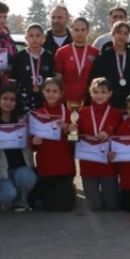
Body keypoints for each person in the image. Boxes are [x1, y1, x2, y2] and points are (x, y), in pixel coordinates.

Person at [0, 87, 37, 212]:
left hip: (21, 165)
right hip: (2, 169)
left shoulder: (23, 118)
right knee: (7, 196)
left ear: (17, 102)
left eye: (12, 100)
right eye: (5, 98)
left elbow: (31, 141)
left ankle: (22, 201)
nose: (8, 102)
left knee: (28, 177)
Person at [29, 76, 76, 212]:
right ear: (43, 92)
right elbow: (30, 142)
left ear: (61, 94)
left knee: (65, 207)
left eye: (55, 91)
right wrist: (34, 141)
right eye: (48, 90)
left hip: (65, 167)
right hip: (46, 167)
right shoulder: (37, 114)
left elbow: (75, 141)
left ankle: (70, 187)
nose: (51, 94)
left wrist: (70, 131)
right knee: (49, 207)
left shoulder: (69, 114)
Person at [77, 77, 122, 211]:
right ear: (91, 93)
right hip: (88, 163)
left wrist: (110, 134)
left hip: (108, 163)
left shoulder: (116, 114)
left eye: (103, 92)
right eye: (96, 92)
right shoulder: (83, 112)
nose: (99, 95)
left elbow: (122, 136)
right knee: (93, 206)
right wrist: (73, 130)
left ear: (110, 93)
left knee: (112, 205)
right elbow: (76, 136)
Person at [93, 20, 130, 109]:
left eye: (125, 33)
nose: (122, 36)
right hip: (109, 105)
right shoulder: (103, 57)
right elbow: (95, 81)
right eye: (119, 32)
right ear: (112, 34)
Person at [9, 23, 56, 112]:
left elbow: (52, 79)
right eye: (31, 36)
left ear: (43, 38)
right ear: (26, 38)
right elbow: (13, 81)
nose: (34, 39)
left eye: (38, 36)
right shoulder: (19, 57)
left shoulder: (48, 56)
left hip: (44, 100)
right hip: (23, 101)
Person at [55, 17, 99, 107]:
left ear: (88, 31)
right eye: (76, 30)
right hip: (66, 102)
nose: (80, 33)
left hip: (88, 102)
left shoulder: (95, 52)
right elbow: (58, 78)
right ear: (71, 31)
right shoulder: (61, 52)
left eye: (83, 30)